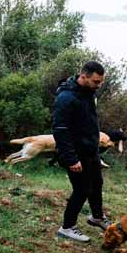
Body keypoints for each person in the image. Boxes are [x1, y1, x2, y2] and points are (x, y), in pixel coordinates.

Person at [53, 60, 110, 242]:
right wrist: (71, 159)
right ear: (83, 76)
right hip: (75, 154)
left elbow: (89, 124)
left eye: (100, 82)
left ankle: (97, 217)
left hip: (91, 151)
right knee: (82, 189)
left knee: (97, 184)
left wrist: (96, 151)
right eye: (96, 82)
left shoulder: (89, 93)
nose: (99, 85)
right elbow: (60, 130)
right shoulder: (66, 98)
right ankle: (67, 227)